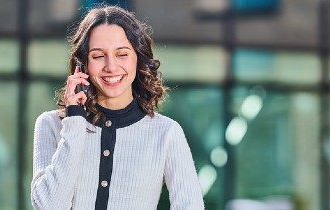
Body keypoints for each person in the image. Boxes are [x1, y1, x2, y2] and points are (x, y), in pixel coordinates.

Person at [30, 5, 205, 210]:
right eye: (98, 56)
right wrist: (75, 120)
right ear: (82, 64)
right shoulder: (51, 125)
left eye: (122, 54)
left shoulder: (166, 133)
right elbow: (49, 206)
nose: (111, 67)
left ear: (137, 58)